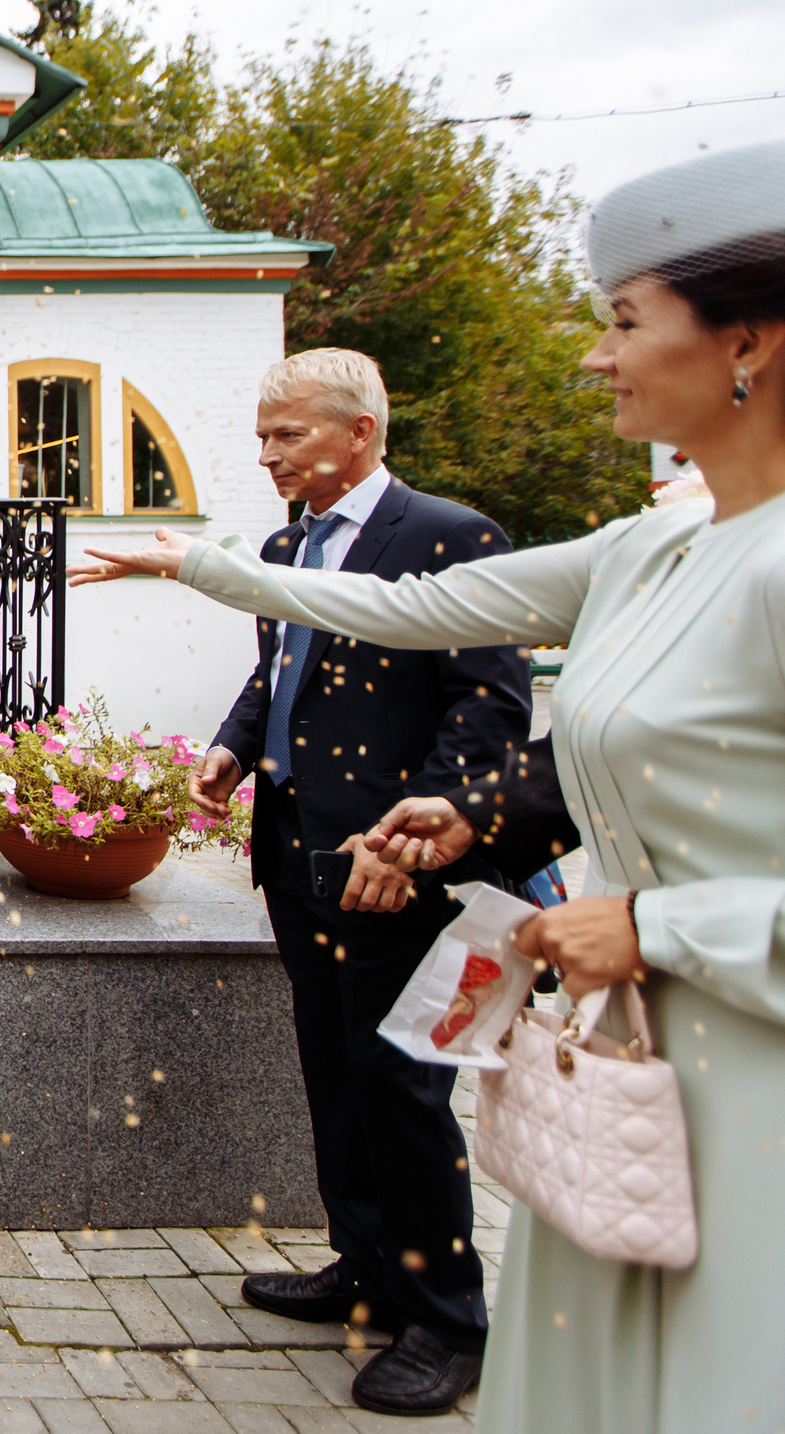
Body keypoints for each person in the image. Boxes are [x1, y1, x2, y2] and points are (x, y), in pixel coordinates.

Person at [82, 142, 785, 1434]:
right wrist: (483, 812)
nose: (595, 353)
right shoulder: (655, 541)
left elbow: (480, 687)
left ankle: (435, 1308)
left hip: (747, 1053)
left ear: (753, 338)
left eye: (625, 320)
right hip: (626, 1053)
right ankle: (371, 1269)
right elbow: (413, 622)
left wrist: (650, 923)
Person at [76, 345, 529, 1416]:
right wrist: (233, 748)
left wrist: (413, 836)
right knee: (332, 1069)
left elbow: (488, 713)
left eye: (289, 436)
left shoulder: (448, 537)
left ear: (360, 433)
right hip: (293, 852)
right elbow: (278, 666)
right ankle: (364, 1266)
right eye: (262, 438)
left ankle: (444, 1318)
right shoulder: (284, 546)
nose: (269, 455)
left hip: (392, 869)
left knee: (403, 1090)